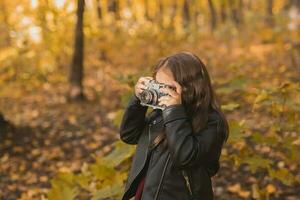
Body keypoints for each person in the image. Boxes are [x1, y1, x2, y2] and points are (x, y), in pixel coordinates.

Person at [119, 51, 229, 200]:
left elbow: (185, 156)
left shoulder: (212, 122)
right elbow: (129, 135)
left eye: (166, 87)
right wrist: (138, 101)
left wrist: (174, 113)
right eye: (157, 86)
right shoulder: (161, 113)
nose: (160, 93)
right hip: (148, 193)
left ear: (190, 87)